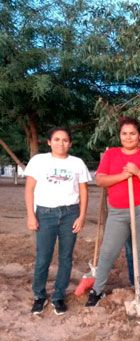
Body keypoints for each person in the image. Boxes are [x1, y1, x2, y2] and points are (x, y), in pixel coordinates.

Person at [86, 116, 140, 307]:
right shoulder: (111, 155)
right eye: (124, 134)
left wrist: (138, 172)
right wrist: (122, 175)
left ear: (139, 135)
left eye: (132, 134)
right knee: (108, 252)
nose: (128, 137)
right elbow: (100, 180)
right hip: (118, 212)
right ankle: (97, 290)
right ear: (119, 135)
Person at [25, 128, 91, 315]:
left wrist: (82, 216)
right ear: (49, 142)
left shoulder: (77, 163)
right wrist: (31, 214)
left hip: (70, 213)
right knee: (43, 257)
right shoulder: (39, 161)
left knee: (66, 257)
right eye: (56, 139)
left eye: (65, 140)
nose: (60, 143)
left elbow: (84, 191)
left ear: (70, 143)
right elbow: (29, 189)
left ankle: (58, 296)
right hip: (45, 214)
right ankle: (39, 295)